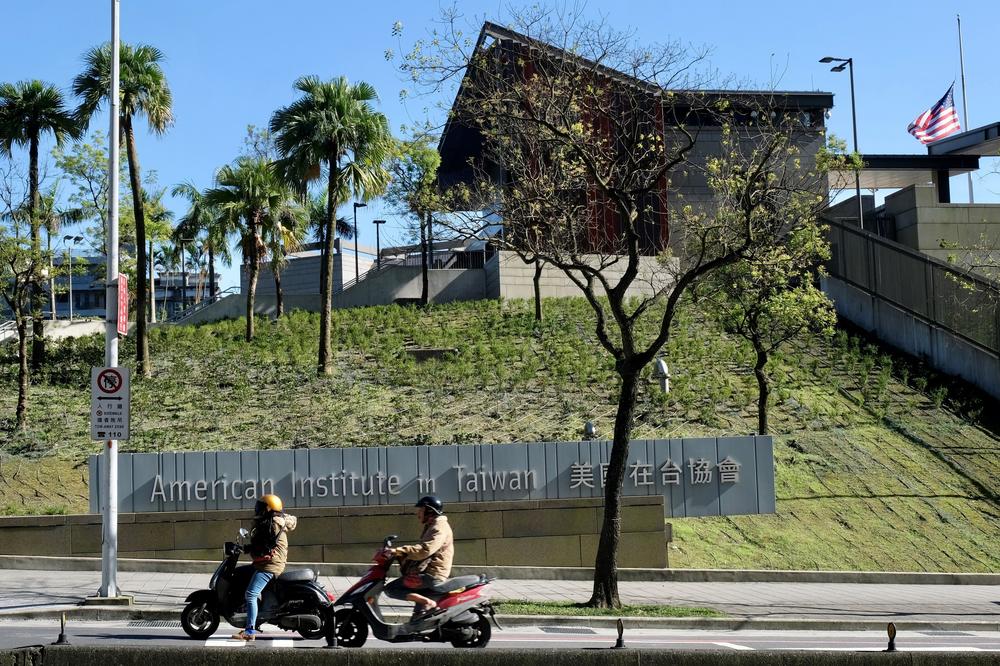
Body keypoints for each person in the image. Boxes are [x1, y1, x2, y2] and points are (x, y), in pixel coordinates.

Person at [231, 493, 297, 641]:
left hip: (269, 566)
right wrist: (246, 549)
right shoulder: (273, 521)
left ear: (268, 508)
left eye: (260, 507)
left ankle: (249, 632)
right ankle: (250, 619)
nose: (257, 510)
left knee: (251, 594)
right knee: (241, 575)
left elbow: (266, 548)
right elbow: (263, 545)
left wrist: (250, 550)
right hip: (266, 562)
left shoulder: (273, 524)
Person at [385, 495, 454, 621]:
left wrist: (399, 551)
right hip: (428, 572)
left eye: (420, 510)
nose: (418, 514)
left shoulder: (439, 527)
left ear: (429, 510)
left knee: (391, 589)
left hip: (432, 575)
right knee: (417, 618)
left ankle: (428, 602)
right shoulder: (433, 525)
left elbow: (425, 550)